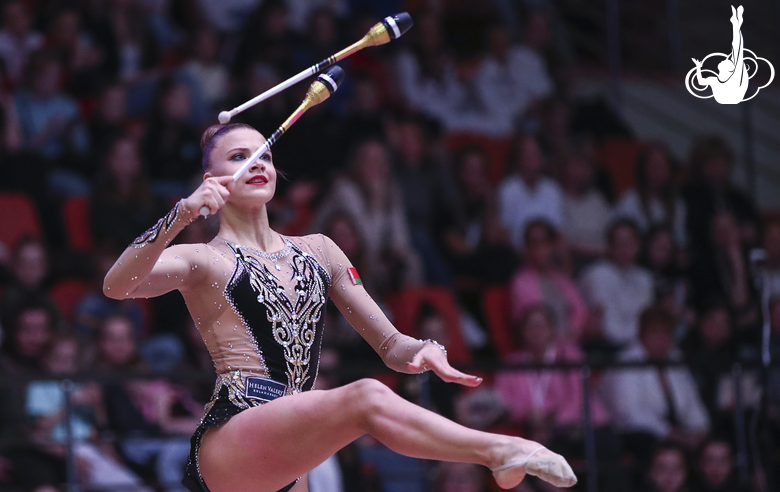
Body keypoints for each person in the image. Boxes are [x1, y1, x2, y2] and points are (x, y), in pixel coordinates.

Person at [103, 122, 577, 492]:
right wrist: (183, 212)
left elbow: (391, 345)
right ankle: (502, 451)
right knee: (366, 398)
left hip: (294, 440)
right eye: (239, 157)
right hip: (235, 433)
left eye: (264, 154)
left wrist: (423, 348)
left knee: (364, 399)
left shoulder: (321, 249)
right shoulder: (203, 258)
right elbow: (118, 285)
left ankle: (502, 454)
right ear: (213, 180)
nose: (257, 163)